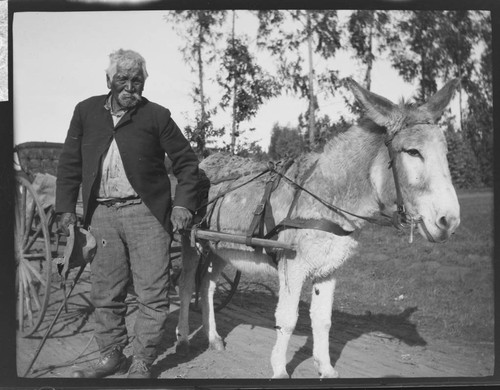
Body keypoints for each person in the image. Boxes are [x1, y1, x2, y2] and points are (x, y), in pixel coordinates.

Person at [55, 49, 200, 379]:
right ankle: (111, 356)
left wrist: (181, 205)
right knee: (106, 292)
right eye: (123, 79)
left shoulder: (158, 116)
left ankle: (142, 361)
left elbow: (187, 163)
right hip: (101, 215)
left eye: (137, 80)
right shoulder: (86, 111)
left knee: (151, 292)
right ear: (108, 80)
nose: (130, 86)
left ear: (144, 83)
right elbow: (69, 165)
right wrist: (65, 209)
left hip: (146, 215)